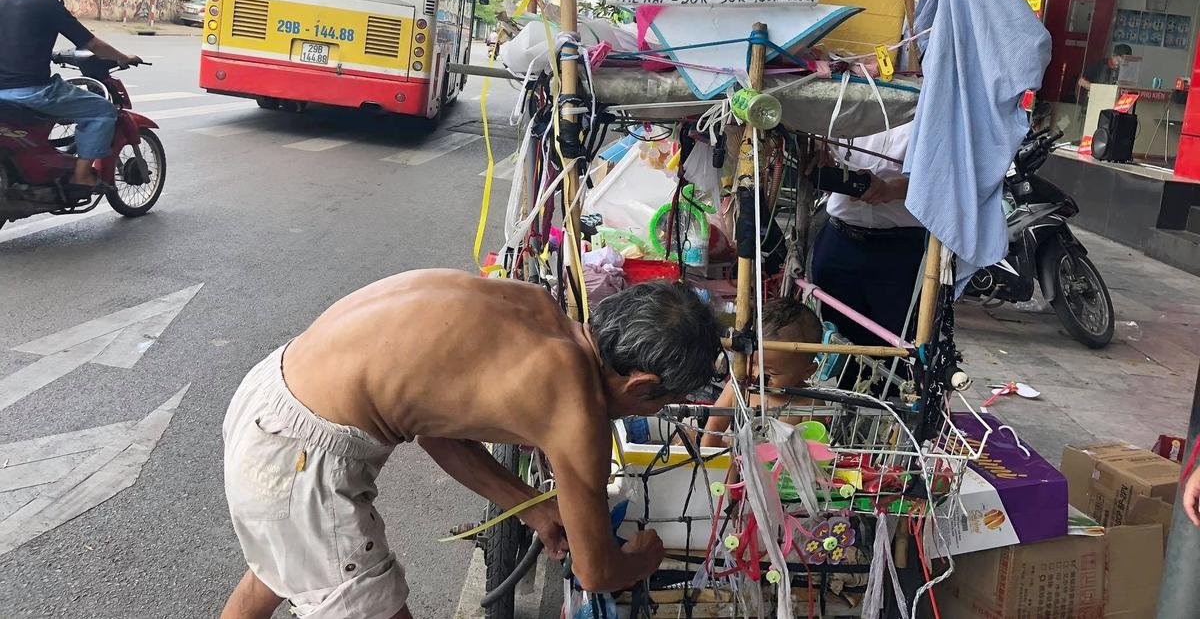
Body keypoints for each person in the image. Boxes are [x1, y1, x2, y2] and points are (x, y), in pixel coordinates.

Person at [219, 271, 723, 619]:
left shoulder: (535, 304)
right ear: (639, 385)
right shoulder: (576, 406)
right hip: (301, 456)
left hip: (273, 392)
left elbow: (434, 426)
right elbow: (596, 573)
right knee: (314, 563)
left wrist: (532, 508)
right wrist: (645, 555)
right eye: (664, 400)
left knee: (284, 562)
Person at [0, 0, 141, 191]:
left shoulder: (3, 4)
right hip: (35, 92)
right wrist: (123, 57)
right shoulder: (49, 7)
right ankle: (82, 175)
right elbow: (93, 44)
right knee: (101, 110)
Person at [810, 122, 925, 345]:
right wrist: (819, 155)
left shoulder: (927, 106)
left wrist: (893, 189)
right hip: (839, 240)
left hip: (901, 249)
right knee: (839, 340)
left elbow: (945, 179)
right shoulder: (848, 103)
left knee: (896, 345)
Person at [699, 298, 823, 448]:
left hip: (783, 469)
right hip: (735, 462)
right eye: (752, 363)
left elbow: (815, 449)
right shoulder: (738, 388)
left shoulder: (809, 403)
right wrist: (708, 459)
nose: (757, 375)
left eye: (772, 372)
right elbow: (715, 425)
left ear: (807, 372)